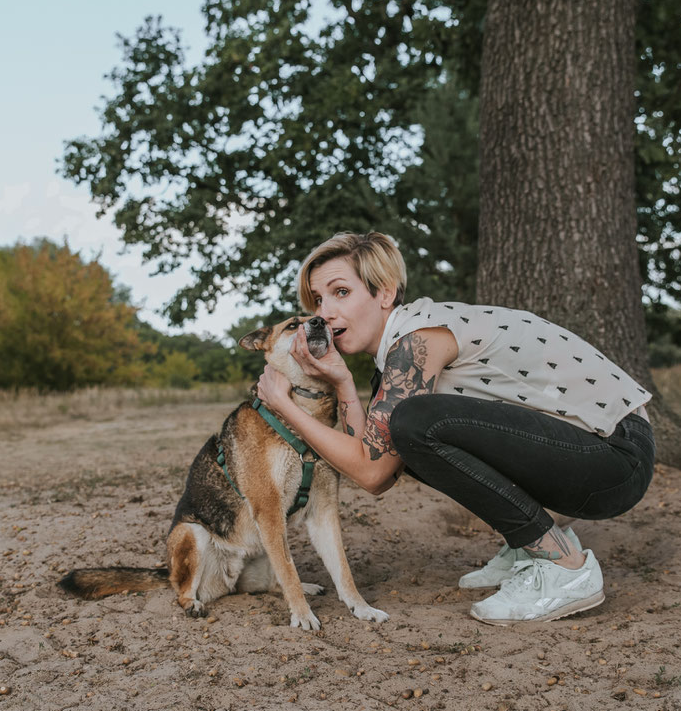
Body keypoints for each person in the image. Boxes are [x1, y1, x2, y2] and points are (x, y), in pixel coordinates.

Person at [256, 231, 656, 625]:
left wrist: (283, 405)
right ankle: (527, 546)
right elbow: (376, 470)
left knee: (412, 422)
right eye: (318, 300)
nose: (323, 312)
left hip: (617, 457)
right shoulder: (396, 359)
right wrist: (344, 381)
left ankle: (565, 568)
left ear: (385, 293)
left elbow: (370, 470)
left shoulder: (417, 338)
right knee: (401, 430)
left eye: (340, 292)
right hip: (587, 456)